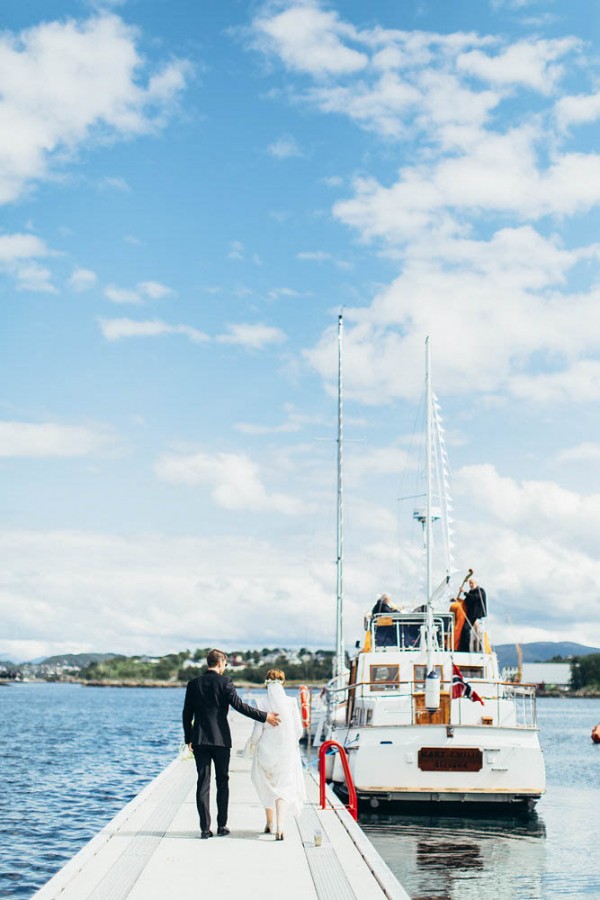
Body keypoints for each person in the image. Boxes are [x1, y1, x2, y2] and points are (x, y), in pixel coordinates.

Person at [183, 648, 280, 839]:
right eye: (225, 664)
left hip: (200, 739)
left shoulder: (194, 684)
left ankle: (204, 828)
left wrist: (189, 738)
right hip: (220, 740)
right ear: (220, 663)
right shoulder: (225, 682)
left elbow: (187, 714)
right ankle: (221, 825)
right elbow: (240, 706)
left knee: (202, 783)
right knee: (222, 782)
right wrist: (265, 716)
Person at [245, 668, 306, 841]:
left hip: (266, 750)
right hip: (285, 752)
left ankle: (269, 822)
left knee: (267, 785)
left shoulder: (261, 702)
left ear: (266, 683)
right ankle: (281, 826)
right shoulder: (291, 702)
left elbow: (257, 731)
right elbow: (299, 731)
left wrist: (252, 745)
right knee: (284, 787)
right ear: (283, 683)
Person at [459, 578, 488, 652]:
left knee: (467, 629)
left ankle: (468, 649)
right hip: (471, 614)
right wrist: (458, 600)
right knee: (464, 630)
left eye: (472, 583)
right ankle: (464, 648)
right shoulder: (470, 592)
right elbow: (467, 601)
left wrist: (464, 592)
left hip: (477, 615)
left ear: (476, 583)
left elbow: (475, 597)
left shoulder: (480, 590)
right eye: (469, 583)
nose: (470, 585)